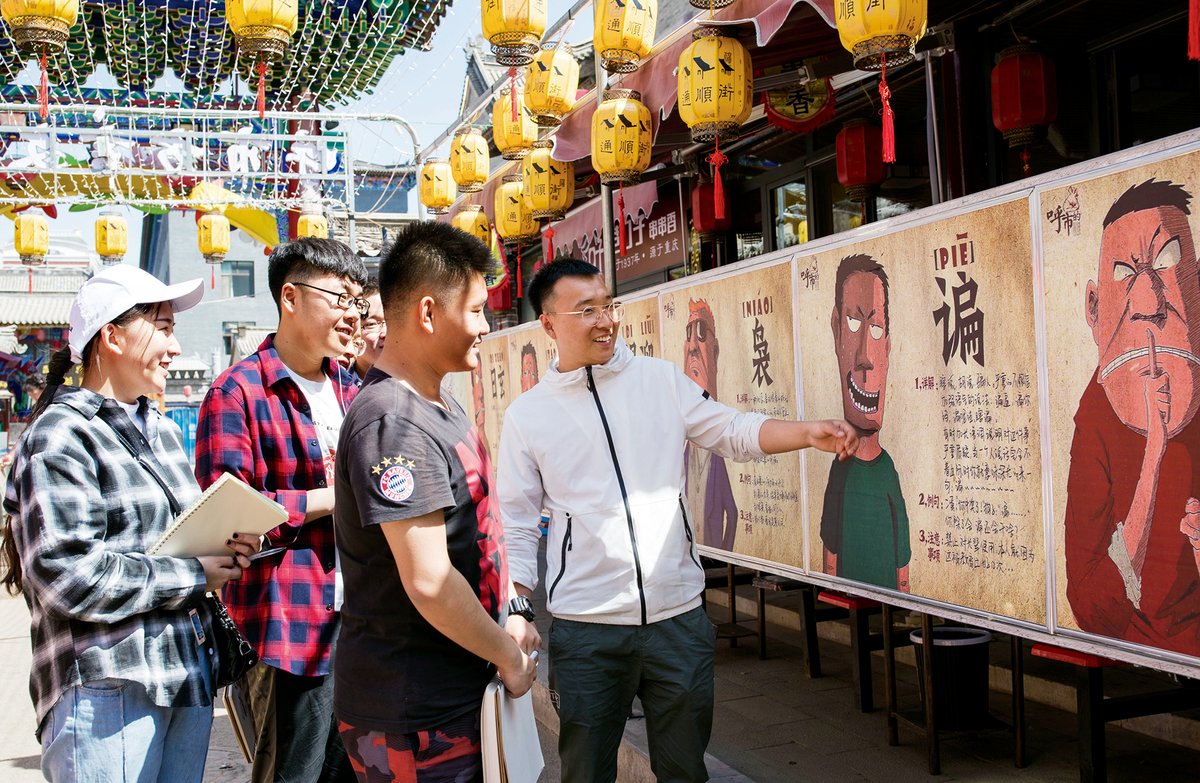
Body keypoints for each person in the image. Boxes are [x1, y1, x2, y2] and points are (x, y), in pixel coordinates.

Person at [499, 259, 858, 782]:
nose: (605, 321)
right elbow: (516, 519)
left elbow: (732, 431)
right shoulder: (528, 416)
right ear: (549, 324)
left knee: (685, 771)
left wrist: (807, 433)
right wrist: (517, 607)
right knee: (584, 772)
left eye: (609, 305)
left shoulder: (660, 381)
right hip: (587, 631)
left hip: (678, 621)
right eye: (587, 310)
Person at [2, 264, 259, 783]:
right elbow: (67, 576)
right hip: (108, 689)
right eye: (162, 327)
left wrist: (225, 544)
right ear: (111, 337)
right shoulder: (61, 436)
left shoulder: (160, 430)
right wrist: (194, 574)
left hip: (185, 678)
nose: (175, 346)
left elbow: (173, 541)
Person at [333, 221, 538, 782]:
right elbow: (429, 580)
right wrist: (508, 656)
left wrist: (509, 617)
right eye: (475, 310)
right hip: (413, 713)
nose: (485, 325)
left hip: (449, 693)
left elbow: (470, 541)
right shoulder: (393, 424)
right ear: (427, 314)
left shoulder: (434, 404)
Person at [196, 238, 367, 783]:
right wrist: (331, 498)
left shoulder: (351, 387)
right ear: (289, 297)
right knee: (293, 771)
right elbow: (227, 517)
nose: (353, 313)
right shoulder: (238, 392)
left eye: (357, 300)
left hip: (361, 617)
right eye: (340, 297)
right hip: (287, 625)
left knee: (351, 770)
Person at [1065, 178, 1200, 657]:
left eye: (1166, 263)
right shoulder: (1097, 414)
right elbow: (1090, 606)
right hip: (1138, 644)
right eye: (1126, 272)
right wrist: (1152, 455)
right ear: (1095, 309)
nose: (1149, 302)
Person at [821, 254, 911, 592]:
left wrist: (904, 594)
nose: (865, 357)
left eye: (875, 330)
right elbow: (831, 548)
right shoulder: (841, 466)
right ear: (836, 333)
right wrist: (830, 587)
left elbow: (902, 549)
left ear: (887, 348)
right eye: (855, 325)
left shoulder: (887, 469)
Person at [682, 298, 738, 551]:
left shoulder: (717, 454)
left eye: (701, 333)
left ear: (714, 351)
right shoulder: (680, 453)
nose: (693, 345)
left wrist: (724, 550)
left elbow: (732, 512)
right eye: (689, 333)